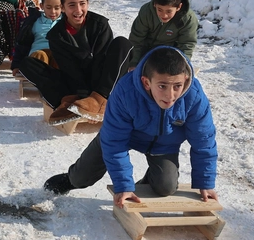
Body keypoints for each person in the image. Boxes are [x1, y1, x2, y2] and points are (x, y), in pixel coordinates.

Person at [43, 47, 218, 211]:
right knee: (82, 177)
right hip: (123, 136)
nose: (170, 95)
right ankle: (70, 180)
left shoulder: (194, 97)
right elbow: (114, 142)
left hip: (164, 144)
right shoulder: (125, 92)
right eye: (162, 86)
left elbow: (204, 141)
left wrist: (205, 183)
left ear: (185, 80)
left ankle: (147, 182)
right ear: (146, 82)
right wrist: (123, 186)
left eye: (177, 86)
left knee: (166, 187)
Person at [19, 0, 132, 125]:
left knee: (122, 43)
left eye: (82, 4)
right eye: (72, 5)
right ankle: (68, 102)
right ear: (63, 8)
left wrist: (94, 97)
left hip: (103, 84)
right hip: (76, 83)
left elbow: (102, 60)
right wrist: (83, 97)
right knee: (27, 64)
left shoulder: (100, 24)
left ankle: (100, 100)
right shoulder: (56, 35)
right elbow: (70, 70)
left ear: (87, 4)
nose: (78, 10)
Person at [128, 0, 198, 70]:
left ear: (179, 7)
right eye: (160, 10)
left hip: (169, 55)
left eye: (169, 11)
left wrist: (182, 66)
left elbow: (186, 45)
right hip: (145, 53)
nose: (164, 15)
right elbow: (136, 39)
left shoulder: (187, 19)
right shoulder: (146, 12)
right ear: (155, 4)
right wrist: (133, 63)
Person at [10, 0, 62, 72]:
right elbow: (22, 44)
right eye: (48, 7)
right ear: (42, 6)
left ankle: (59, 78)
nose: (53, 11)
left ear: (63, 7)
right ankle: (38, 76)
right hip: (38, 54)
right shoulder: (34, 22)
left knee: (60, 57)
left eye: (57, 8)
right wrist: (16, 65)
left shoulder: (66, 22)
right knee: (40, 55)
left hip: (57, 54)